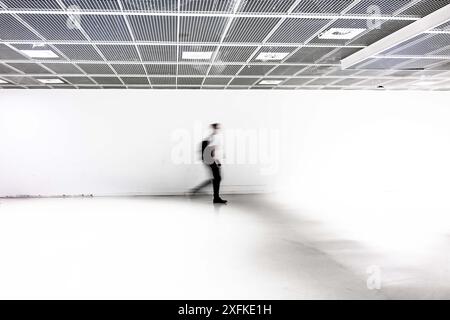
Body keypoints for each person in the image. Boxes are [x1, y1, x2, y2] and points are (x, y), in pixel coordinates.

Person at [191, 123, 228, 204]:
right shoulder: (212, 137)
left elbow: (211, 149)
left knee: (216, 178)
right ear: (214, 128)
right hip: (208, 158)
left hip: (208, 158)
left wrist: (216, 161)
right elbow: (209, 149)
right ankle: (215, 198)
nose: (218, 130)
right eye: (217, 128)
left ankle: (197, 190)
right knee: (217, 178)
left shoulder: (212, 137)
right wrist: (215, 160)